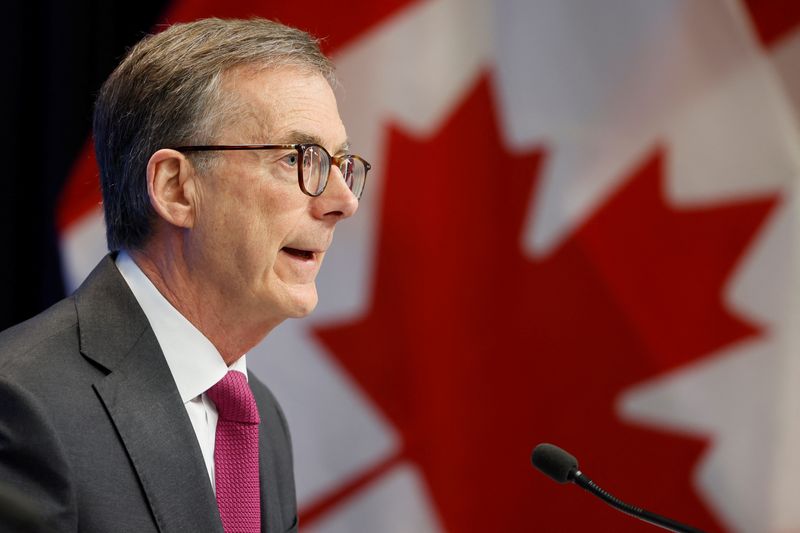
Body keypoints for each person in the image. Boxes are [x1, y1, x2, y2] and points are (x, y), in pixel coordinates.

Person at [0, 17, 369, 533]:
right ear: (176, 188)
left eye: (341, 163)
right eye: (296, 158)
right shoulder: (20, 403)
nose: (343, 202)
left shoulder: (259, 416)